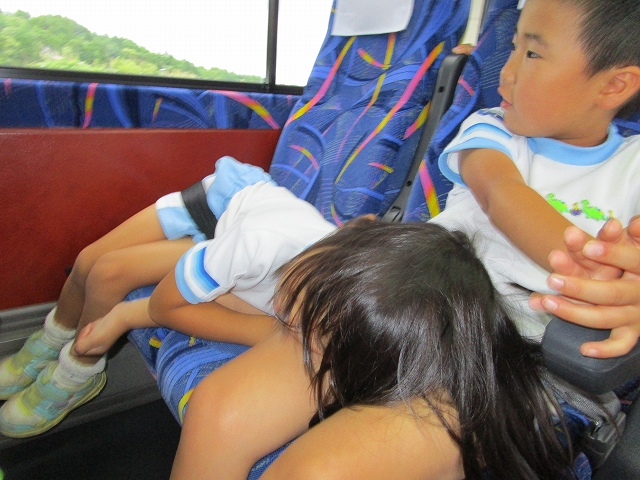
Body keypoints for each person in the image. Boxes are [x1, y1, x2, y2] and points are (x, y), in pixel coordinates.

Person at [170, 0, 640, 478]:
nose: (507, 70)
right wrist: (593, 265)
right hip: (409, 313)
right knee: (220, 411)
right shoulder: (493, 130)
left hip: (512, 364)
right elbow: (501, 194)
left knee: (316, 473)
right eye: (513, 46)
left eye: (533, 53)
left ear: (614, 85)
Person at [172, 221, 574, 480]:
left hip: (448, 336)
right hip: (413, 285)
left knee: (318, 472)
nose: (279, 313)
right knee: (219, 407)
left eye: (298, 325)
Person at [0, 156, 335, 438]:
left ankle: (79, 371)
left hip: (241, 241)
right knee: (88, 261)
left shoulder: (323, 314)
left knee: (107, 273)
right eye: (295, 303)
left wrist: (122, 318)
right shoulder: (260, 246)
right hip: (224, 202)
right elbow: (169, 302)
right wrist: (122, 316)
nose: (285, 314)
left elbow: (222, 302)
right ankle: (49, 341)